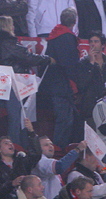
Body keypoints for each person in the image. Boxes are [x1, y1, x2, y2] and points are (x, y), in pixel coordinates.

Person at [0, 15, 52, 143]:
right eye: (11, 25)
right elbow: (27, 57)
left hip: (7, 82)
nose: (13, 27)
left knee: (19, 116)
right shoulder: (8, 43)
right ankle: (17, 145)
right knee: (17, 117)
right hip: (14, 83)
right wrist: (47, 59)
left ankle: (20, 144)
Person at [42, 8, 80, 149]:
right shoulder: (67, 37)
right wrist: (76, 84)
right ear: (74, 21)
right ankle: (59, 151)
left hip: (53, 85)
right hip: (62, 86)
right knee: (65, 121)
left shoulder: (55, 35)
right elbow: (69, 64)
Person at [75, 32, 106, 121]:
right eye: (91, 41)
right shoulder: (83, 64)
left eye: (96, 41)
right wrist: (91, 63)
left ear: (103, 45)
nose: (93, 44)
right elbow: (81, 85)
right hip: (89, 109)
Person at [0, 134, 41, 199]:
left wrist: (32, 135)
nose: (10, 144)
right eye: (6, 143)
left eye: (11, 143)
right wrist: (12, 184)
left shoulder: (22, 162)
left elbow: (35, 155)